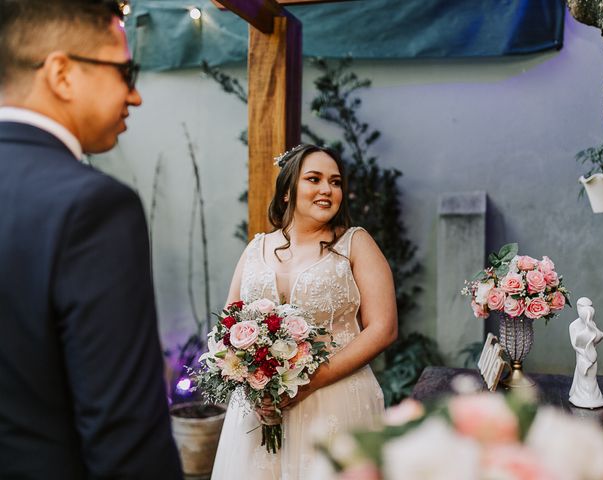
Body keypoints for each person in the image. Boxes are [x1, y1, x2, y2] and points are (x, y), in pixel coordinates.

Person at [0, 1, 183, 478]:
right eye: (127, 70)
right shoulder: (93, 207)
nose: (136, 95)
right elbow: (124, 432)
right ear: (61, 74)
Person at [211, 144, 398, 479]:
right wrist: (252, 382)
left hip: (335, 402)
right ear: (287, 192)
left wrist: (311, 382)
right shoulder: (256, 248)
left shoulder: (356, 244)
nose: (327, 189)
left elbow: (383, 328)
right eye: (314, 179)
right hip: (260, 410)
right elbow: (227, 325)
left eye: (336, 182)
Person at [569, 297, 603, 409]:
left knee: (591, 377)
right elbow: (574, 345)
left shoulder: (592, 324)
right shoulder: (573, 325)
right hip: (582, 356)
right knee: (583, 375)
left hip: (592, 356)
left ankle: (594, 398)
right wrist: (584, 353)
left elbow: (598, 337)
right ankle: (580, 397)